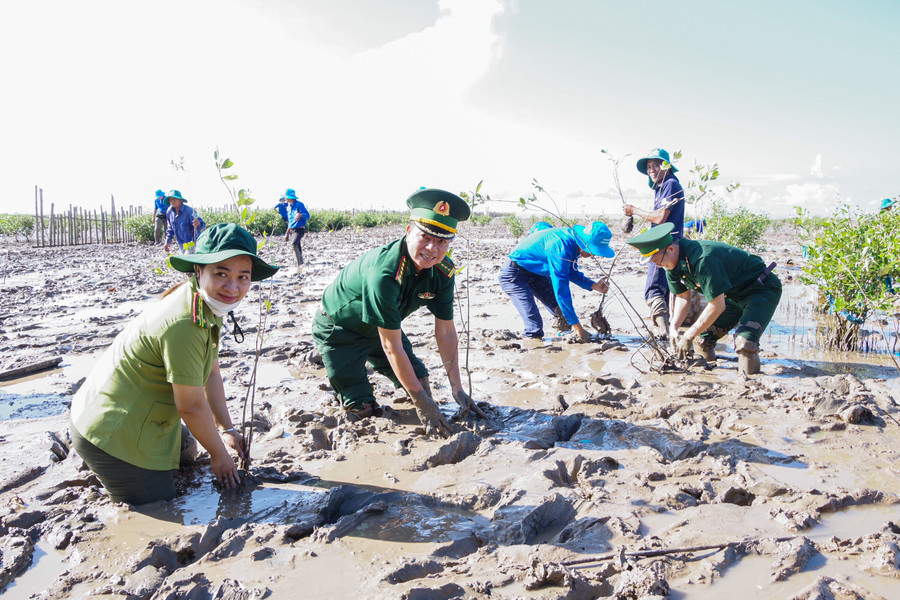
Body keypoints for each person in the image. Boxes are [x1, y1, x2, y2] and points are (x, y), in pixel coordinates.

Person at [70, 224, 280, 505]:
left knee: (186, 449)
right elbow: (191, 406)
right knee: (161, 508)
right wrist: (219, 457)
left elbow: (211, 373)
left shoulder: (204, 302)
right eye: (221, 274)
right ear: (198, 271)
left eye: (243, 277)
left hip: (124, 411)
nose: (233, 287)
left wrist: (226, 430)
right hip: (111, 434)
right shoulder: (185, 323)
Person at [311, 188, 481, 437]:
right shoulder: (385, 272)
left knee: (421, 381)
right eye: (425, 237)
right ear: (409, 231)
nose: (432, 248)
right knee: (362, 410)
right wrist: (423, 405)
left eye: (442, 241)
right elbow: (391, 346)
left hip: (382, 329)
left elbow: (445, 331)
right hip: (340, 330)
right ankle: (341, 374)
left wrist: (457, 389)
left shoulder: (443, 272)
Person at [625, 222, 781, 375]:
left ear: (671, 249)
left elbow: (717, 306)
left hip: (760, 290)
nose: (658, 266)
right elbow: (682, 296)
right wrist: (674, 327)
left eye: (656, 261)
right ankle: (709, 373)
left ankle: (749, 384)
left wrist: (688, 334)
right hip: (732, 296)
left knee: (745, 342)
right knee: (703, 340)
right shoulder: (671, 265)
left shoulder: (703, 259)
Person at [499, 222, 614, 342]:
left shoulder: (573, 244)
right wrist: (578, 328)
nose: (593, 254)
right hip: (514, 275)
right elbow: (561, 289)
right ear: (585, 243)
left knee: (561, 312)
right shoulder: (561, 247)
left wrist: (593, 285)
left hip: (536, 273)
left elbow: (570, 272)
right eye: (594, 251)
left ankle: (563, 337)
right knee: (535, 328)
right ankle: (531, 348)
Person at [623, 149, 685, 338]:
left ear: (666, 166)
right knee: (664, 288)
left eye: (656, 165)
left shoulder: (670, 184)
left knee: (653, 288)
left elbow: (660, 218)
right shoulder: (663, 187)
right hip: (670, 244)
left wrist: (635, 210)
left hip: (664, 244)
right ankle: (667, 330)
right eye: (649, 167)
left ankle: (664, 331)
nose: (652, 169)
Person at [163, 190, 205, 254]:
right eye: (170, 199)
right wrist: (167, 242)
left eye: (175, 199)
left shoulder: (189, 211)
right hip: (181, 243)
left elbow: (203, 225)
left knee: (188, 259)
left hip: (192, 242)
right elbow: (170, 229)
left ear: (180, 200)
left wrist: (198, 223)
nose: (172, 201)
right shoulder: (169, 212)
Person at [282, 189, 310, 273]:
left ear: (290, 198)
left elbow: (307, 215)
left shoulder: (299, 204)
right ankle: (301, 265)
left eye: (286, 198)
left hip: (300, 229)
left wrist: (300, 214)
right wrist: (287, 233)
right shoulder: (289, 207)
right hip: (293, 230)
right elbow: (290, 222)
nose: (286, 200)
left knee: (294, 244)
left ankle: (299, 264)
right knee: (297, 245)